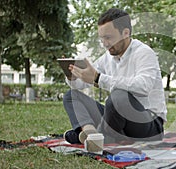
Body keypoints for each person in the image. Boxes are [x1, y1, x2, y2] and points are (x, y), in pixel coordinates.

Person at [62, 8, 167, 144]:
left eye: (108, 37)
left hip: (148, 123)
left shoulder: (144, 53)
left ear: (125, 33)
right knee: (71, 96)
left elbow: (143, 86)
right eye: (102, 39)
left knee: (118, 96)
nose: (105, 43)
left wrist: (98, 78)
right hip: (119, 121)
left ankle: (99, 137)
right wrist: (73, 75)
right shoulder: (107, 57)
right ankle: (91, 132)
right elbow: (83, 83)